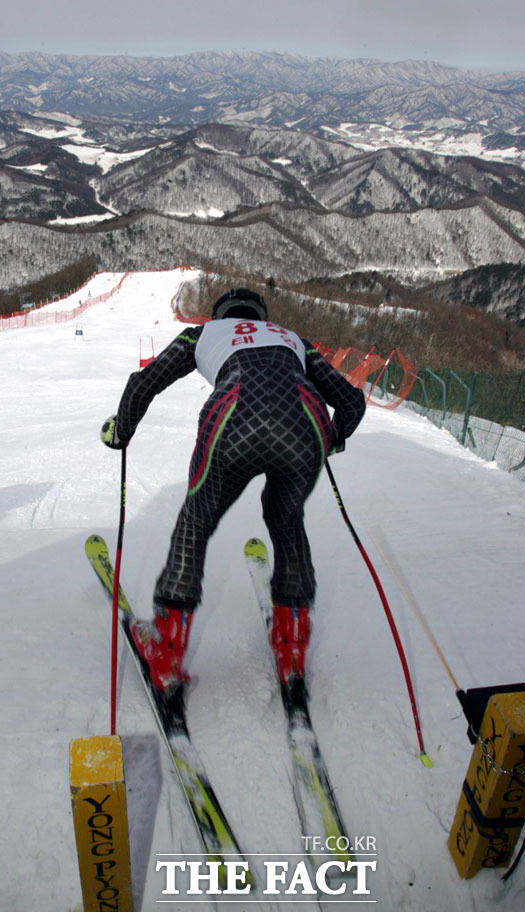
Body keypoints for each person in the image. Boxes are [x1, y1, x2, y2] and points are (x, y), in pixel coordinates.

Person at [101, 288, 366, 692]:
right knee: (287, 520)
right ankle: (291, 646)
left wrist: (120, 432)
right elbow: (350, 403)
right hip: (305, 424)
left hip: (233, 416)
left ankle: (167, 651)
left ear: (220, 313)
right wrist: (332, 437)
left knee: (197, 520)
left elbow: (143, 384)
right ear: (262, 317)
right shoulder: (290, 337)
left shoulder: (202, 333)